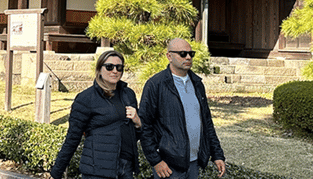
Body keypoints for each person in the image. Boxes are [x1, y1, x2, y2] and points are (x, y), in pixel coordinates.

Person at [139, 38, 226, 179]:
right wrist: (156, 161)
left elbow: (207, 122)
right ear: (169, 56)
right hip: (168, 166)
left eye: (191, 53)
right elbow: (145, 125)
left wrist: (217, 154)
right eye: (183, 53)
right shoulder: (156, 84)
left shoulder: (197, 84)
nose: (188, 57)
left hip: (193, 163)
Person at [49, 49, 141, 179]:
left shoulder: (128, 94)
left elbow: (133, 136)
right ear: (99, 69)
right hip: (97, 170)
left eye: (119, 67)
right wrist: (56, 173)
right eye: (109, 67)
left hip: (125, 168)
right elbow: (72, 139)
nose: (114, 71)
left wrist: (138, 122)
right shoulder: (86, 98)